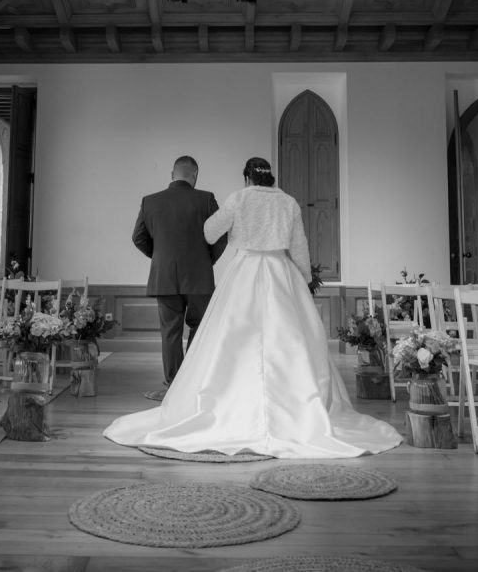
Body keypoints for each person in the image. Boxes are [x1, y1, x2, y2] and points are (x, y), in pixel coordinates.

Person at [105, 156, 402, 458]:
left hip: (244, 270)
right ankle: (294, 405)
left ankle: (224, 401)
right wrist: (305, 279)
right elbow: (300, 246)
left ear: (247, 178)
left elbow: (209, 232)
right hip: (279, 271)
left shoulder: (239, 198)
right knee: (287, 339)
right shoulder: (288, 202)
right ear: (270, 177)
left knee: (230, 338)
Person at [131, 155, 227, 390]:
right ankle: (193, 381)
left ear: (172, 175)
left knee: (170, 332)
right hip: (199, 278)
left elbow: (138, 238)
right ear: (195, 175)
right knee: (200, 327)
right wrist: (206, 261)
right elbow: (221, 236)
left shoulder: (150, 201)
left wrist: (160, 257)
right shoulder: (206, 199)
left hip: (164, 278)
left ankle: (174, 384)